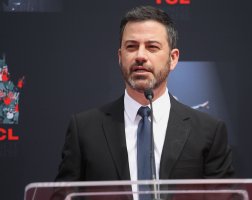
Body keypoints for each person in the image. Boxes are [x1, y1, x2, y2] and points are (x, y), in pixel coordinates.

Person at [55, 4, 234, 186]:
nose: (140, 56)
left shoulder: (209, 131)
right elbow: (63, 196)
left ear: (173, 59)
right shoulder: (84, 129)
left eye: (152, 47)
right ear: (120, 56)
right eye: (131, 47)